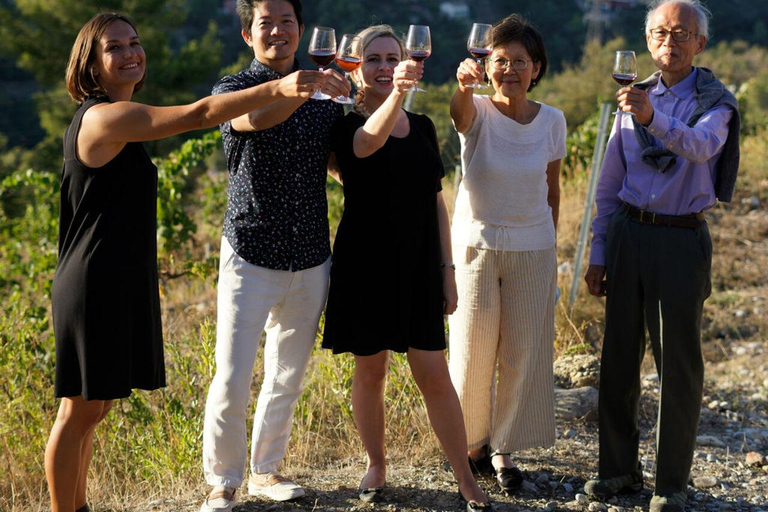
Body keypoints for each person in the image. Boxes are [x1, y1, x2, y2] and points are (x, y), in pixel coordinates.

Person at [47, 11, 334, 512]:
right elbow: (203, 113)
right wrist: (282, 88)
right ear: (90, 64)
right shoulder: (102, 118)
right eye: (114, 47)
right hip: (93, 279)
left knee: (95, 409)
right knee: (77, 411)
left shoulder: (119, 114)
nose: (132, 52)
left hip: (116, 277)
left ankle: (79, 506)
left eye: (135, 42)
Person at [320, 24, 490, 511]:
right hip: (365, 263)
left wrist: (447, 269)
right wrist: (397, 94)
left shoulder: (423, 127)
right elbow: (367, 147)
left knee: (434, 374)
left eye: (391, 57)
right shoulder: (345, 124)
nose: (383, 66)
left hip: (418, 264)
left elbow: (437, 200)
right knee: (370, 372)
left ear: (404, 61)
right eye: (372, 58)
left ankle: (465, 478)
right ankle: (376, 463)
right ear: (355, 68)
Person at [583, 1, 740, 511]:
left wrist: (652, 118)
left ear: (700, 43)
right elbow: (609, 185)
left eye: (681, 33)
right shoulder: (636, 97)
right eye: (659, 33)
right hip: (630, 233)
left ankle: (671, 484)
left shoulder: (716, 100)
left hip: (680, 240)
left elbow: (700, 146)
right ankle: (618, 472)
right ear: (647, 41)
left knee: (678, 365)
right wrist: (599, 250)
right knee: (618, 359)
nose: (669, 42)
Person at [199, 1, 349, 511]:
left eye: (287, 21)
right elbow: (256, 120)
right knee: (233, 376)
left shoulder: (324, 95)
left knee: (286, 378)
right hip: (250, 248)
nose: (278, 30)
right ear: (249, 34)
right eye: (267, 22)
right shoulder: (231, 89)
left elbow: (333, 161)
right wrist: (299, 88)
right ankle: (221, 482)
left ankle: (265, 472)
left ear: (301, 30)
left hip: (310, 252)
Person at [447, 13, 566, 493]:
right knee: (473, 349)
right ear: (486, 65)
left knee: (522, 353)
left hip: (534, 249)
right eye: (501, 60)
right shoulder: (477, 111)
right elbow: (458, 114)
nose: (510, 70)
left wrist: (549, 247)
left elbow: (553, 190)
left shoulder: (553, 120)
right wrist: (460, 86)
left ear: (536, 67)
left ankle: (504, 450)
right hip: (477, 245)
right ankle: (471, 443)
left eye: (520, 61)